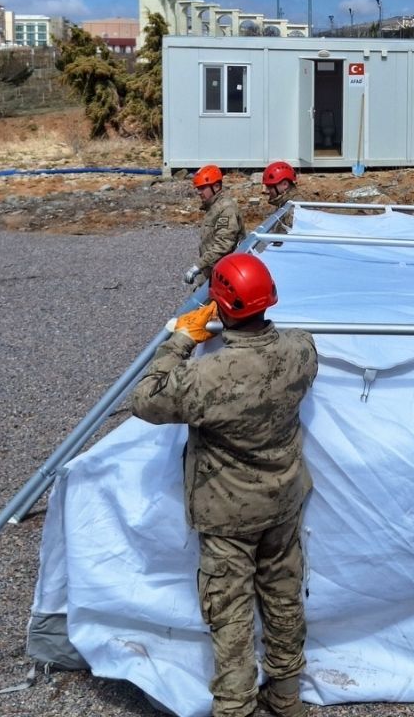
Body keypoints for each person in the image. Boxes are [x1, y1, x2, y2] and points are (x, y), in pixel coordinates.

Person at [131, 253, 318, 717]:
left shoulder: (205, 376)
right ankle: (287, 697)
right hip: (283, 503)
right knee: (284, 596)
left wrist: (181, 340)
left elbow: (144, 399)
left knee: (230, 613)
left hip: (227, 514)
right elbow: (287, 354)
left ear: (220, 305)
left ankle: (235, 707)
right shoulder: (301, 350)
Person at [184, 164, 246, 287]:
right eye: (198, 188)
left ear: (216, 186)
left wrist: (198, 266)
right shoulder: (214, 207)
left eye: (202, 188)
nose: (199, 192)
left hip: (225, 275)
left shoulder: (226, 209)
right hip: (213, 272)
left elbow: (223, 244)